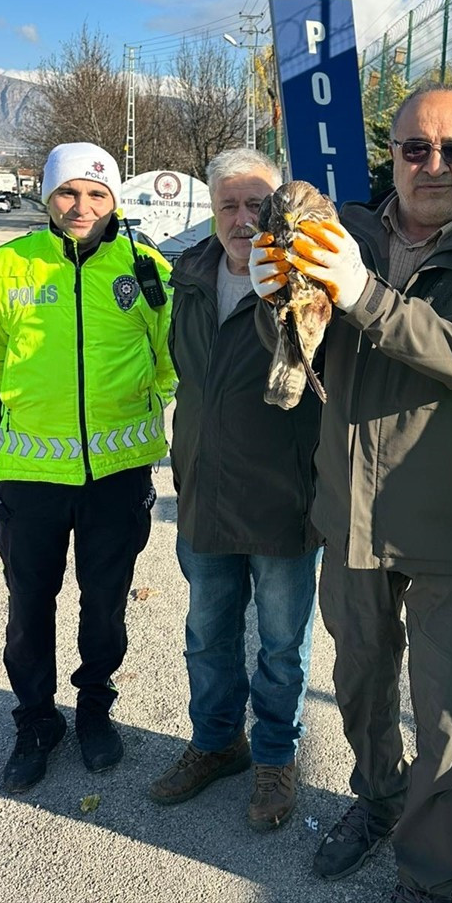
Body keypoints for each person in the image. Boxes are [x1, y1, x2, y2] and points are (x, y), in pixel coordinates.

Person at [250, 85, 452, 902]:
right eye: (416, 148)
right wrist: (272, 291)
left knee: (447, 720)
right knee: (360, 689)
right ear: (395, 156)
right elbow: (291, 341)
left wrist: (361, 293)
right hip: (351, 516)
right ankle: (377, 799)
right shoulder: (346, 234)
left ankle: (427, 871)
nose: (434, 165)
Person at [0, 142, 175, 792]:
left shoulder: (146, 267)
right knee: (30, 608)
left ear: (114, 199)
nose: (81, 206)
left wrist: (137, 405)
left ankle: (92, 711)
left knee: (105, 605)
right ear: (47, 196)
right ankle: (35, 722)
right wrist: (28, 406)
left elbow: (169, 359)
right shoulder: (5, 267)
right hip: (30, 475)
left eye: (96, 193)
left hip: (118, 473)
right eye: (67, 193)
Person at [148, 148, 321, 830]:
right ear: (212, 210)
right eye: (230, 205)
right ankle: (217, 741)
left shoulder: (307, 281)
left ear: (279, 208)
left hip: (284, 498)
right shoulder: (189, 277)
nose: (244, 218)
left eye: (258, 204)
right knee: (207, 632)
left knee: (282, 644)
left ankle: (276, 756)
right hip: (205, 493)